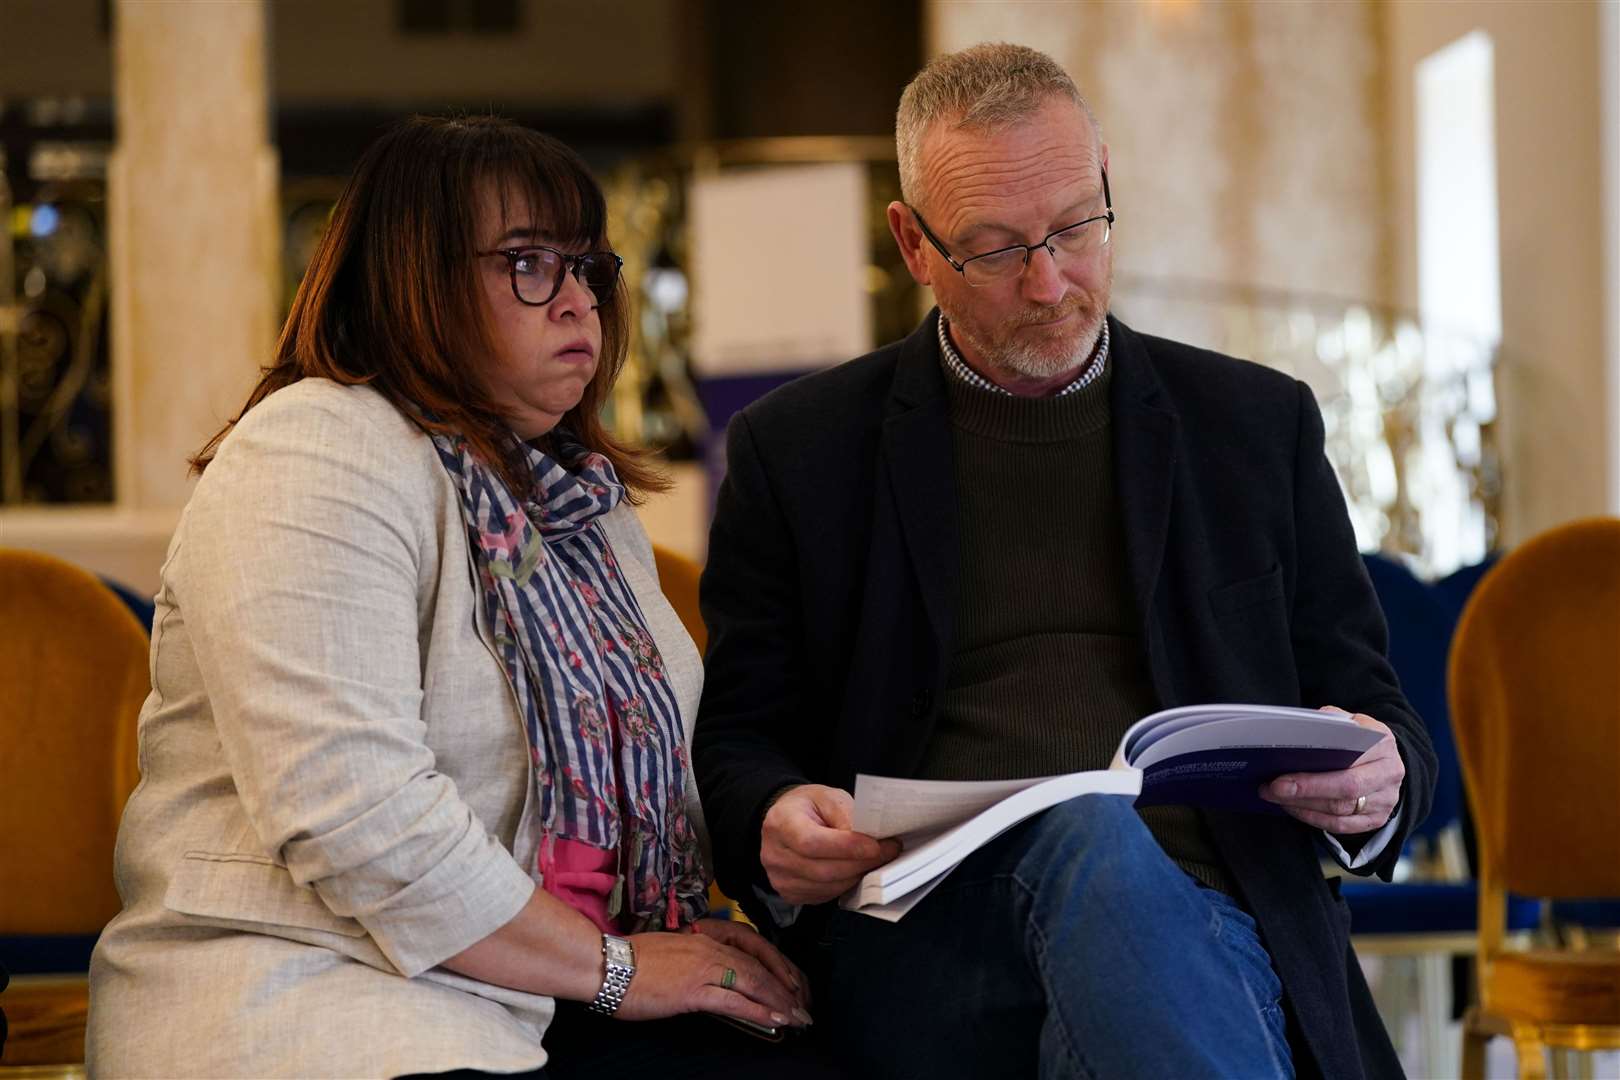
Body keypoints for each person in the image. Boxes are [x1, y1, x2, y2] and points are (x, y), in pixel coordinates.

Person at [694, 43, 1435, 1079]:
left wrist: (1376, 782)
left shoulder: (1253, 427)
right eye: (995, 250)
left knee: (1122, 890)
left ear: (1106, 186)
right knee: (1087, 832)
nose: (1049, 282)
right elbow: (738, 741)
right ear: (914, 244)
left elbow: (1369, 705)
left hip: (1215, 917)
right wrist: (774, 817)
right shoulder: (802, 451)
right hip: (928, 933)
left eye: (1076, 229)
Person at [86, 115, 835, 1080]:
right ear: (416, 279)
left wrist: (781, 828)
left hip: (552, 995)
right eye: (528, 263)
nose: (578, 303)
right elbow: (356, 816)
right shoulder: (314, 450)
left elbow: (652, 786)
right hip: (322, 994)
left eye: (587, 267)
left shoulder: (580, 505)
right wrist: (617, 971)